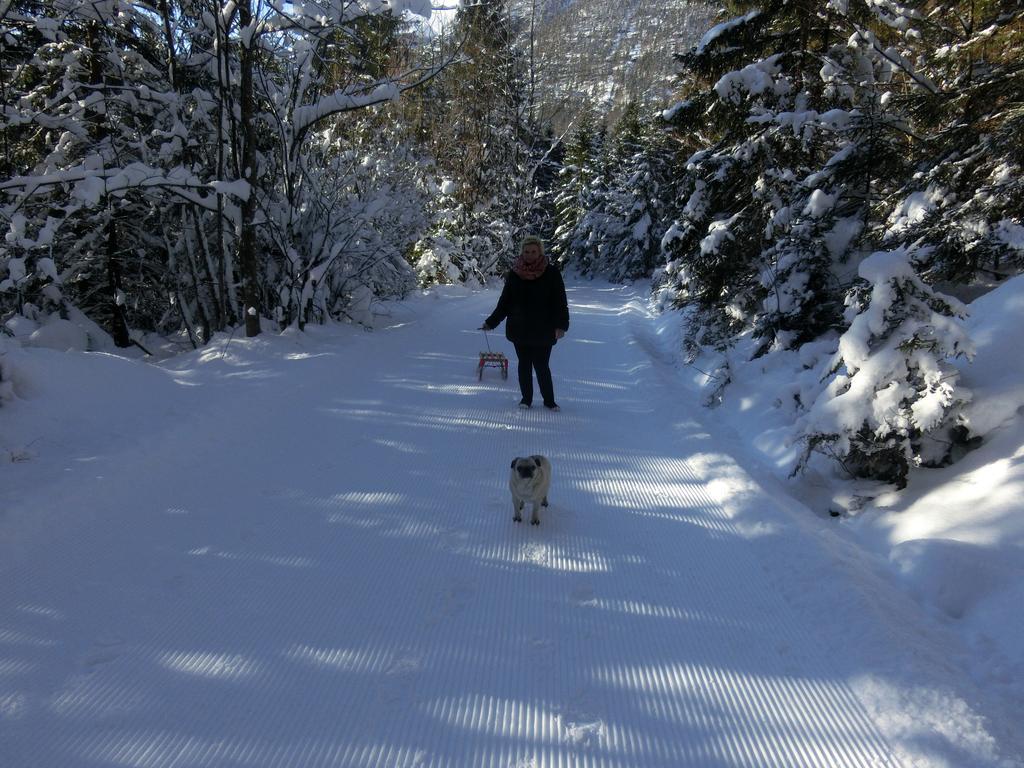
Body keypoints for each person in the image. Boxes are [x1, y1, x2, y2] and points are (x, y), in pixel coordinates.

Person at [481, 235, 569, 411]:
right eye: (527, 251)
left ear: (540, 252)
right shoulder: (515, 273)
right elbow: (505, 301)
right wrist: (491, 322)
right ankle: (526, 399)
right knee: (524, 364)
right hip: (519, 327)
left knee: (542, 365)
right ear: (522, 252)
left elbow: (560, 301)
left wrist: (561, 325)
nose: (530, 255)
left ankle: (549, 401)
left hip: (544, 327)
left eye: (534, 252)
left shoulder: (551, 272)